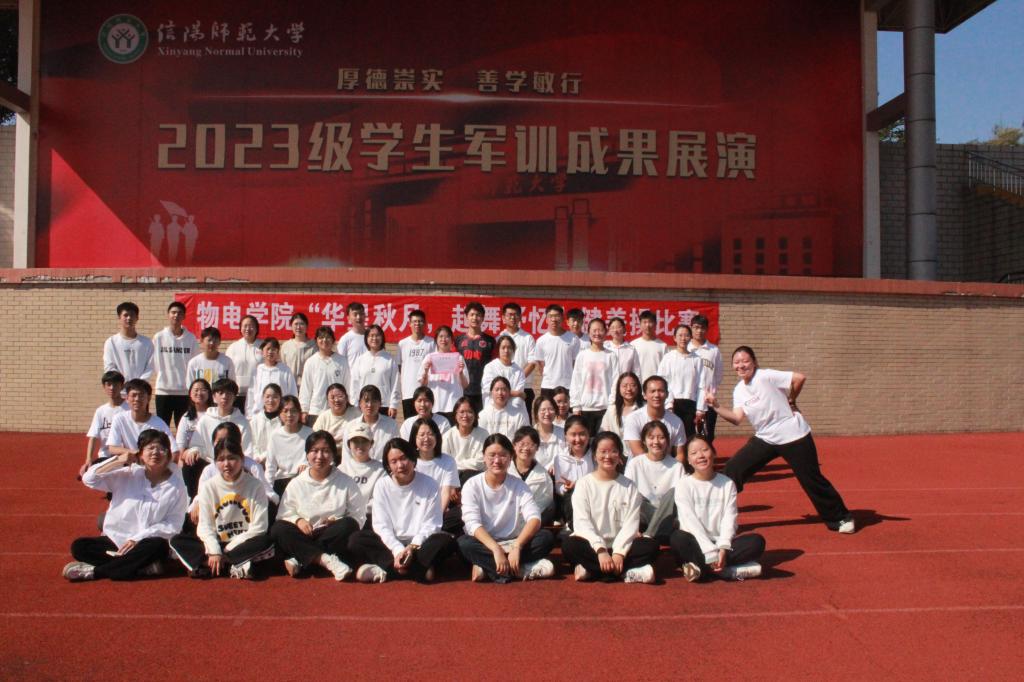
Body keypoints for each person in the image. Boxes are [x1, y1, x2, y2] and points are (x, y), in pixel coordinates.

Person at [705, 346, 856, 534]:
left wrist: (791, 400)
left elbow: (799, 378)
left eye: (745, 361)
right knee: (732, 471)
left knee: (811, 478)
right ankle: (713, 516)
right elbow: (736, 418)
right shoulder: (739, 390)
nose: (741, 365)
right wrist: (716, 406)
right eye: (736, 362)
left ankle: (841, 518)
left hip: (794, 435)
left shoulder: (765, 376)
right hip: (766, 437)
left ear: (754, 362)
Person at [63, 430, 187, 582]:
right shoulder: (128, 474)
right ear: (140, 454)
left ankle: (96, 572)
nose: (156, 452)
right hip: (116, 540)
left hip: (144, 543)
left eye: (162, 449)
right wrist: (118, 460)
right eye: (150, 448)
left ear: (168, 455)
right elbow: (89, 479)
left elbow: (173, 524)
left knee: (158, 545)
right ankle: (138, 567)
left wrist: (137, 539)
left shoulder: (177, 486)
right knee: (79, 546)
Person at [348, 438, 456, 583]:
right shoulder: (382, 486)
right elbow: (381, 526)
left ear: (412, 459)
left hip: (419, 545)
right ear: (388, 466)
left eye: (403, 458)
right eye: (394, 461)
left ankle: (388, 570)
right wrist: (398, 550)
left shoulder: (430, 484)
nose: (400, 465)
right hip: (391, 545)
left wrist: (412, 547)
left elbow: (432, 524)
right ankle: (418, 570)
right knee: (356, 539)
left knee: (446, 541)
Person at [169, 438, 275, 579]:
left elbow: (259, 527)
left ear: (242, 459)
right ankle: (236, 565)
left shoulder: (256, 486)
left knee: (266, 542)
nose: (226, 464)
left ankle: (212, 565)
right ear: (215, 462)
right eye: (221, 459)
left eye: (232, 458)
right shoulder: (209, 487)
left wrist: (226, 550)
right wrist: (214, 550)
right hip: (217, 540)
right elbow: (205, 526)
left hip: (242, 543)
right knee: (177, 541)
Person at [561, 432, 658, 584]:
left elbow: (631, 524)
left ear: (619, 455)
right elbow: (582, 522)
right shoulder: (584, 484)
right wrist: (600, 550)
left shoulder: (629, 486)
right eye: (603, 451)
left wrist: (619, 553)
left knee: (651, 546)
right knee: (569, 545)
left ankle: (593, 570)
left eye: (613, 451)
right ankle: (625, 572)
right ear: (594, 455)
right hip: (593, 546)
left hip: (622, 546)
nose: (608, 456)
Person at [458, 434, 556, 582]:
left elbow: (534, 518)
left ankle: (488, 568)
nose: (497, 461)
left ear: (510, 457)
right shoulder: (472, 485)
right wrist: (495, 549)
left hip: (513, 541)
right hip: (485, 543)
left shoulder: (519, 485)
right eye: (492, 455)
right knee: (463, 544)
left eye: (503, 455)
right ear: (484, 457)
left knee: (546, 538)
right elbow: (472, 524)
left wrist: (517, 546)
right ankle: (519, 569)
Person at [270, 431, 365, 580]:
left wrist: (336, 521)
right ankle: (326, 560)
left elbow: (358, 516)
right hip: (303, 534)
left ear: (333, 454)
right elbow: (284, 514)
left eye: (325, 451)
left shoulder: (346, 482)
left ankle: (301, 559)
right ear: (307, 454)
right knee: (278, 529)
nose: (320, 456)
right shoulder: (296, 483)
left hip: (331, 534)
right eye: (314, 451)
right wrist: (298, 521)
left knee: (349, 524)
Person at [670, 435, 765, 582]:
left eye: (705, 450)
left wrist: (723, 547)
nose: (700, 456)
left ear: (714, 453)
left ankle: (702, 569)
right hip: (697, 542)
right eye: (694, 453)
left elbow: (730, 518)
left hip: (720, 543)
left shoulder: (727, 484)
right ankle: (726, 571)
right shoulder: (684, 485)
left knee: (756, 542)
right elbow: (689, 521)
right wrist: (709, 551)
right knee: (678, 538)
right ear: (688, 460)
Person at [624, 421, 679, 540]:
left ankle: (649, 534)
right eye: (651, 437)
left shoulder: (677, 466)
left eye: (661, 437)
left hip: (667, 516)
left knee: (675, 492)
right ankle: (655, 530)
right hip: (644, 514)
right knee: (635, 496)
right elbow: (626, 494)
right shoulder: (635, 463)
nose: (656, 442)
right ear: (644, 441)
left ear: (667, 440)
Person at [411, 417, 463, 534]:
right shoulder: (410, 462)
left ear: (437, 437)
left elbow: (445, 492)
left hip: (440, 511)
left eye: (430, 434)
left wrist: (438, 515)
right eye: (421, 435)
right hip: (415, 510)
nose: (426, 439)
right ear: (414, 438)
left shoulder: (448, 461)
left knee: (462, 513)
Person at [657, 324, 707, 440]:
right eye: (680, 335)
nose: (683, 338)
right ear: (674, 338)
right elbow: (663, 382)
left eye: (686, 335)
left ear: (691, 338)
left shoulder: (697, 359)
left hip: (690, 404)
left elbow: (701, 385)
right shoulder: (668, 358)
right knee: (671, 437)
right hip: (673, 404)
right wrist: (669, 404)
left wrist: (700, 409)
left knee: (689, 438)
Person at [570, 318, 619, 436]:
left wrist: (612, 405)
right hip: (585, 408)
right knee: (586, 441)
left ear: (606, 332)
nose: (597, 333)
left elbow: (616, 381)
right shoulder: (582, 355)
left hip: (605, 408)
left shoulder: (611, 356)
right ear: (588, 332)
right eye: (594, 330)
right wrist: (576, 406)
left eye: (600, 330)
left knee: (604, 441)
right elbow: (576, 381)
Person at [152, 301, 198, 428]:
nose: (176, 315)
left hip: (184, 391)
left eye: (179, 313)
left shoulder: (191, 339)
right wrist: (164, 376)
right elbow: (154, 362)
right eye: (173, 312)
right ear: (168, 315)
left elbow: (194, 364)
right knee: (162, 428)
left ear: (184, 316)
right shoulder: (159, 337)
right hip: (163, 391)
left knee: (184, 427)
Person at [106, 379, 177, 459]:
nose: (137, 399)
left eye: (141, 395)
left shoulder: (159, 423)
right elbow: (112, 448)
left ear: (148, 398)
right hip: (129, 463)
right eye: (134, 395)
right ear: (127, 398)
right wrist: (137, 454)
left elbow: (174, 451)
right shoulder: (119, 419)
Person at [622, 375, 686, 459]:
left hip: (667, 466)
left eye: (661, 391)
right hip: (639, 466)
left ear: (667, 394)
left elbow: (680, 454)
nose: (657, 395)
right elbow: (637, 453)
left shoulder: (676, 422)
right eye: (652, 391)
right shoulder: (633, 419)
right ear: (644, 395)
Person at [81, 370, 128, 476]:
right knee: (90, 477)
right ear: (104, 387)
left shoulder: (129, 409)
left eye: (115, 384)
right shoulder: (100, 411)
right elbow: (93, 437)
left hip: (125, 457)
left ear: (122, 386)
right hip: (105, 457)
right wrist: (88, 459)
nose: (112, 388)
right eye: (108, 384)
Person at [193, 378, 253, 462]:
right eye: (221, 393)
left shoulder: (243, 422)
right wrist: (194, 451)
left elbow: (247, 451)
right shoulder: (205, 419)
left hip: (234, 464)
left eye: (229, 393)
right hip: (208, 463)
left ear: (235, 397)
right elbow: (196, 445)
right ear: (214, 397)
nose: (224, 397)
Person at [300, 325, 349, 425]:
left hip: (337, 410)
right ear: (316, 341)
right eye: (321, 337)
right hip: (316, 410)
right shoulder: (311, 362)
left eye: (328, 337)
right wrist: (304, 409)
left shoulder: (342, 361)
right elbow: (306, 387)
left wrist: (348, 405)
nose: (324, 340)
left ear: (333, 340)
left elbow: (348, 385)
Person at [529, 304, 580, 401]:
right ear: (546, 319)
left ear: (562, 318)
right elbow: (541, 365)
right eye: (550, 316)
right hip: (548, 386)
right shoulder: (541, 341)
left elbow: (575, 364)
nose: (554, 319)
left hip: (567, 385)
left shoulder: (573, 339)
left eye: (557, 316)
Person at [266, 395, 313, 497]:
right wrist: (268, 491)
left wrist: (307, 466)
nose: (289, 414)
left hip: (304, 480)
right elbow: (270, 466)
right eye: (285, 411)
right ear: (280, 414)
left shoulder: (310, 433)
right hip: (282, 481)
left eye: (293, 411)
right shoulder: (275, 436)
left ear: (299, 413)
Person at [350, 324, 401, 417]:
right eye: (371, 335)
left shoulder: (389, 359)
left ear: (382, 338)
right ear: (366, 338)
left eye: (377, 335)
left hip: (384, 405)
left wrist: (393, 405)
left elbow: (395, 384)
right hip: (364, 406)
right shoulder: (360, 360)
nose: (374, 338)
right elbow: (354, 383)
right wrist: (355, 404)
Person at [339, 422, 385, 525]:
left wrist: (359, 512)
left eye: (364, 441)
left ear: (371, 443)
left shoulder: (381, 470)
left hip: (370, 518)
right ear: (349, 444)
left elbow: (379, 499)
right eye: (356, 441)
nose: (360, 446)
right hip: (344, 518)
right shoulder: (341, 469)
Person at [420, 325, 469, 421]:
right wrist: (425, 371)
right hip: (435, 405)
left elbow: (465, 385)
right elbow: (423, 384)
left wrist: (460, 373)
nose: (444, 339)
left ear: (452, 340)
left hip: (454, 405)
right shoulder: (429, 358)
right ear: (436, 340)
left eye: (447, 337)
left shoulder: (458, 357)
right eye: (441, 336)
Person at [455, 301, 497, 413]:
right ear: (466, 317)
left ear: (483, 318)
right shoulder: (458, 341)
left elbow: (495, 365)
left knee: (482, 419)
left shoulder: (490, 341)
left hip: (483, 390)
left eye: (478, 315)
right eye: (472, 314)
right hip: (462, 390)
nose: (475, 318)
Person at [552, 415, 594, 527]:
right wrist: (566, 487)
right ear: (566, 436)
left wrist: (578, 484)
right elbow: (558, 487)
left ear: (589, 434)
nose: (578, 439)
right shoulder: (560, 458)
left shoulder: (595, 455)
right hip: (570, 501)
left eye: (582, 434)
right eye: (573, 435)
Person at [508, 426, 555, 525]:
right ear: (514, 445)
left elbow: (543, 503)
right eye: (522, 444)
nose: (526, 448)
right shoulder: (505, 470)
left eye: (531, 445)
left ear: (537, 448)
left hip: (530, 523)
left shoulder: (544, 477)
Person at [498, 302, 537, 417]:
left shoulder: (528, 338)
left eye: (516, 315)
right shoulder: (499, 338)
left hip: (525, 387)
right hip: (502, 389)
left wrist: (518, 380)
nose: (512, 317)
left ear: (520, 317)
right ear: (503, 318)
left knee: (523, 421)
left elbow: (532, 363)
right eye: (509, 315)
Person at [688, 314, 723, 443]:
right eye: (696, 327)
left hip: (708, 401)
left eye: (702, 328)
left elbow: (718, 375)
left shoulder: (714, 350)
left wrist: (710, 390)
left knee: (708, 436)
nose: (699, 331)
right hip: (690, 399)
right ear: (691, 328)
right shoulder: (686, 348)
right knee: (689, 435)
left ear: (707, 329)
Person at [342, 385, 400, 462]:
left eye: (374, 401)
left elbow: (396, 452)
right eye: (366, 401)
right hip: (356, 468)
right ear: (360, 403)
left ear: (380, 403)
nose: (370, 405)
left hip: (383, 468)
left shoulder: (391, 425)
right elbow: (346, 457)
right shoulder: (350, 426)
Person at [102, 301, 155, 383]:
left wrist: (137, 385)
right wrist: (121, 383)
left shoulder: (147, 343)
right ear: (119, 317)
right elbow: (109, 367)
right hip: (119, 388)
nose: (129, 318)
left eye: (132, 315)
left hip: (140, 389)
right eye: (125, 315)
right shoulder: (111, 342)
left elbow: (150, 367)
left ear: (137, 318)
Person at [175, 378, 212, 493]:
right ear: (190, 394)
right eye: (196, 390)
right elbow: (181, 444)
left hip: (210, 457)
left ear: (209, 393)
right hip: (192, 460)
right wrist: (182, 460)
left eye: (203, 390)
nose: (199, 393)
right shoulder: (186, 418)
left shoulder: (214, 414)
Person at [397, 309, 436, 419]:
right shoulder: (402, 344)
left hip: (427, 391)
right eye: (414, 321)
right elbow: (399, 366)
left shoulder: (431, 342)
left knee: (427, 422)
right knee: (410, 423)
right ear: (409, 324)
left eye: (420, 321)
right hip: (408, 392)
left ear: (425, 324)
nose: (417, 324)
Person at [246, 337, 297, 419]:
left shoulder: (285, 370)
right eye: (268, 349)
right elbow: (251, 393)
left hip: (281, 414)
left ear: (277, 352)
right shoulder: (257, 370)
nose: (270, 352)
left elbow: (292, 392)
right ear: (262, 352)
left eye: (273, 349)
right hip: (259, 414)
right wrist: (249, 415)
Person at [480, 335, 529, 419]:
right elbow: (488, 389)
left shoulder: (519, 371)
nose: (506, 351)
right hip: (493, 412)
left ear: (514, 350)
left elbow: (519, 393)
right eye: (503, 348)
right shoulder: (490, 367)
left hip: (514, 412)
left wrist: (517, 394)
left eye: (509, 348)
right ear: (498, 349)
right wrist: (515, 393)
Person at [442, 397, 488, 481]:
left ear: (475, 415)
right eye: (462, 412)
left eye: (470, 412)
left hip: (477, 477)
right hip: (453, 477)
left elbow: (481, 462)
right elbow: (445, 463)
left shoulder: (483, 434)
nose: (465, 416)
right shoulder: (448, 436)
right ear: (455, 415)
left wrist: (455, 463)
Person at [225, 315, 263, 412]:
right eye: (245, 326)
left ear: (256, 328)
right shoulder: (233, 347)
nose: (248, 329)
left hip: (257, 394)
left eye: (251, 326)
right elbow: (227, 370)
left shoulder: (263, 346)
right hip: (237, 395)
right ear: (240, 328)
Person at [478, 376, 528, 441]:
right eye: (497, 389)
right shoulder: (483, 415)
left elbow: (523, 438)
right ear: (491, 392)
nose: (500, 393)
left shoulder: (518, 415)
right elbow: (480, 438)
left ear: (509, 392)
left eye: (504, 390)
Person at [336, 302, 368, 396]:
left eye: (361, 314)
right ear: (348, 318)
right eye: (355, 314)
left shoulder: (372, 337)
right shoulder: (345, 339)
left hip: (370, 382)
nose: (359, 317)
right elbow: (340, 365)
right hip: (352, 387)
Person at [599, 371, 643, 437]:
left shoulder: (645, 408)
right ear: (619, 388)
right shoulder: (612, 409)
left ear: (638, 387)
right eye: (624, 386)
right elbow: (603, 433)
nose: (629, 389)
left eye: (633, 385)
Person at [250, 382, 282, 465]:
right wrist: (257, 458)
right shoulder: (255, 419)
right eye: (267, 397)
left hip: (277, 463)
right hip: (256, 462)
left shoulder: (283, 421)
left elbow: (280, 445)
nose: (270, 400)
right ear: (263, 398)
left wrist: (263, 457)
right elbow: (252, 442)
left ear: (280, 399)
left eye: (275, 397)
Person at [281, 312, 316, 387]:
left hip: (309, 385)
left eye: (302, 324)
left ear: (307, 326)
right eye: (296, 324)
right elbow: (283, 366)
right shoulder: (286, 346)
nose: (298, 327)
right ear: (291, 326)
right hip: (289, 385)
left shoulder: (314, 346)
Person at [631, 309, 666, 382]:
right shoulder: (633, 345)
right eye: (644, 322)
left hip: (656, 385)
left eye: (650, 322)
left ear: (655, 324)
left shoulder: (662, 346)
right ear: (640, 324)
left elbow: (665, 368)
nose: (647, 325)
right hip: (638, 384)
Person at [531, 395, 564, 471]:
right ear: (536, 413)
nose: (547, 413)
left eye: (551, 409)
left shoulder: (563, 433)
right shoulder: (529, 435)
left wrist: (557, 465)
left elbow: (567, 455)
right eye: (543, 410)